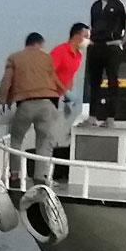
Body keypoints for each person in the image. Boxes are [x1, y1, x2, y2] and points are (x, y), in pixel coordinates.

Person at [0, 32, 61, 180]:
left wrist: (3, 101)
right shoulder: (47, 58)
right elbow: (55, 80)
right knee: (44, 142)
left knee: (16, 140)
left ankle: (15, 175)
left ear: (27, 43)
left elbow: (7, 81)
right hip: (47, 104)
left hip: (25, 105)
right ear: (39, 43)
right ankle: (41, 177)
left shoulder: (14, 58)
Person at [86, 0, 126, 127]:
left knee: (112, 81)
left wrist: (119, 43)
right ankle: (92, 116)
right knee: (94, 81)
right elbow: (93, 25)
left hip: (112, 47)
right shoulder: (95, 6)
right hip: (95, 47)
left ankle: (111, 118)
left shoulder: (121, 4)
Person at [48, 23, 88, 182]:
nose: (87, 40)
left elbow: (70, 75)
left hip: (62, 96)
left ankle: (58, 170)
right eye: (86, 36)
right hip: (49, 94)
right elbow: (49, 72)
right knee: (48, 133)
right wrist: (64, 91)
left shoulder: (78, 55)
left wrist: (69, 96)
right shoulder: (60, 51)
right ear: (77, 35)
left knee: (61, 133)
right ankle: (47, 171)